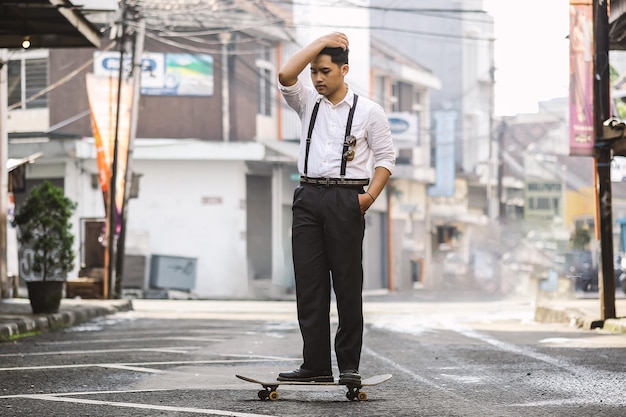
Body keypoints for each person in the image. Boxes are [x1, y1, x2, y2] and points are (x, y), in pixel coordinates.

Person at [276, 32, 395, 385]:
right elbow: (285, 75)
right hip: (308, 197)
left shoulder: (369, 111)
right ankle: (314, 365)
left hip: (347, 198)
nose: (317, 78)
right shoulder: (306, 103)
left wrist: (369, 197)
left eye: (325, 71)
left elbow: (386, 158)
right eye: (314, 71)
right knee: (309, 284)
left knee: (346, 283)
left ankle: (348, 366)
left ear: (344, 70)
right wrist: (319, 43)